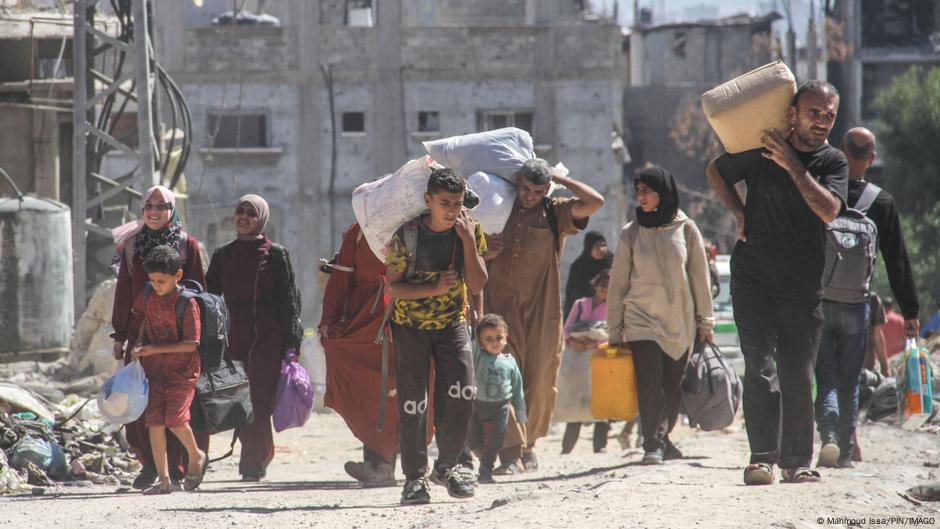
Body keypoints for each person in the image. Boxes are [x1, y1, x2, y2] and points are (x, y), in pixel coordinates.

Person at [706, 80, 848, 484]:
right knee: (759, 369)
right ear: (792, 113)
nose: (821, 122)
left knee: (798, 373)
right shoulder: (761, 147)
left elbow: (828, 210)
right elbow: (715, 171)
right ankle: (761, 458)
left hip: (803, 285)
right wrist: (738, 213)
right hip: (752, 279)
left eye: (828, 116)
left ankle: (797, 461)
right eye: (813, 112)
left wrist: (792, 164)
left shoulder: (832, 162)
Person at [483, 158, 604, 473]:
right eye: (525, 188)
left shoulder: (555, 212)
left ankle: (528, 445)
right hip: (499, 311)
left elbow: (595, 202)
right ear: (516, 184)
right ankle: (509, 453)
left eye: (537, 190)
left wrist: (562, 181)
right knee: (503, 377)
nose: (529, 196)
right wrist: (487, 253)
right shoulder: (497, 209)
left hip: (543, 310)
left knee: (537, 382)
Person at [385, 168, 488, 505]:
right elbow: (394, 288)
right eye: (444, 203)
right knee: (413, 403)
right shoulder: (408, 235)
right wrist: (433, 286)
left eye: (457, 204)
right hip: (410, 326)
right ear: (428, 200)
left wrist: (469, 242)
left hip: (452, 324)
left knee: (463, 392)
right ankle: (414, 479)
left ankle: (447, 467)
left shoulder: (468, 230)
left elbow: (477, 283)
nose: (452, 211)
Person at [607, 166, 714, 465]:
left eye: (646, 191)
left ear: (663, 193)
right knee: (649, 381)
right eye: (637, 191)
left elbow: (699, 279)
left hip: (678, 320)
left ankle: (664, 437)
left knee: (671, 384)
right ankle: (651, 442)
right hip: (640, 319)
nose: (640, 198)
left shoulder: (687, 229)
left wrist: (705, 322)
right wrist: (615, 330)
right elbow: (617, 285)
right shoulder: (631, 233)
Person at [109, 185, 209, 490]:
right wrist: (120, 335)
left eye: (161, 206)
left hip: (178, 339)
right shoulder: (129, 245)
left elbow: (199, 290)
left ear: (172, 210)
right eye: (148, 206)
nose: (154, 212)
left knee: (179, 408)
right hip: (142, 337)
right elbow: (124, 291)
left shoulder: (185, 244)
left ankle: (184, 463)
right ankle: (152, 466)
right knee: (143, 404)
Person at [206, 194, 303, 481]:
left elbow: (288, 302)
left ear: (261, 218)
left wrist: (292, 343)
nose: (244, 217)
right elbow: (210, 298)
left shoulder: (275, 254)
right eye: (240, 211)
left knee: (259, 402)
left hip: (267, 339)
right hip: (234, 338)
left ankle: (253, 462)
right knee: (239, 400)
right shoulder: (222, 255)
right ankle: (257, 454)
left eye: (251, 213)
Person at [319, 222, 400, 487]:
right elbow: (341, 280)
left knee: (394, 388)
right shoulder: (357, 233)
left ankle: (387, 466)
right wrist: (328, 320)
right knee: (369, 388)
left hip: (404, 316)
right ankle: (377, 464)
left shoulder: (413, 227)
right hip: (362, 319)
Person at [131, 245, 208, 495]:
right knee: (154, 422)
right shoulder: (147, 294)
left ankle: (196, 456)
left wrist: (155, 349)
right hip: (154, 371)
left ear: (178, 275)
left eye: (162, 281)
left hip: (182, 372)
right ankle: (163, 481)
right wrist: (140, 343)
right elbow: (144, 318)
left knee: (175, 419)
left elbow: (191, 344)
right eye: (152, 281)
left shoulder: (188, 304)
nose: (157, 286)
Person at [840, 127, 920, 339]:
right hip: (856, 301)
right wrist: (910, 310)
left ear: (841, 150)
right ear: (872, 158)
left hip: (817, 300)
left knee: (821, 371)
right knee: (849, 371)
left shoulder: (821, 192)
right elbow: (897, 261)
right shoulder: (882, 202)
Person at [469, 314, 526, 484]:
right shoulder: (479, 356)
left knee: (495, 442)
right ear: (480, 342)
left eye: (499, 338)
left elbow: (517, 388)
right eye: (488, 339)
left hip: (500, 408)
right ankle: (481, 456)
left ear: (506, 338)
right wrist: (471, 320)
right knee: (473, 441)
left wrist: (521, 412)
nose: (494, 342)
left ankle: (486, 471)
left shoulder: (510, 362)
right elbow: (471, 341)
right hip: (477, 406)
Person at [560, 269, 612, 455]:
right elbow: (566, 328)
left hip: (600, 360)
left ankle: (600, 446)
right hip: (577, 359)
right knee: (576, 402)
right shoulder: (581, 304)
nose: (605, 289)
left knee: (600, 402)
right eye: (602, 285)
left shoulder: (613, 308)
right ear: (596, 285)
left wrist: (595, 343)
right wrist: (572, 341)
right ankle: (566, 449)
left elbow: (616, 334)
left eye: (609, 286)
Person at [563, 231, 612, 319]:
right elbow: (572, 295)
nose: (601, 249)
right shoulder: (578, 267)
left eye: (603, 245)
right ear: (589, 247)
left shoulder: (613, 262)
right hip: (585, 314)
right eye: (597, 246)